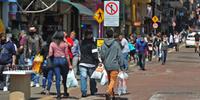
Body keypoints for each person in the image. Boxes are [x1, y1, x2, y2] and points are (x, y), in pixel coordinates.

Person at [46, 31, 72, 99]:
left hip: (55, 60)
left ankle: (58, 94)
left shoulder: (52, 44)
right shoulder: (64, 44)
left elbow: (50, 53)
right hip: (63, 60)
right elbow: (67, 55)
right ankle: (65, 92)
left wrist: (49, 57)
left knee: (57, 78)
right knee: (64, 77)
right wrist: (69, 65)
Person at [100, 29, 124, 100]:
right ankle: (108, 92)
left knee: (110, 81)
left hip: (107, 65)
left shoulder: (103, 44)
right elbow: (120, 55)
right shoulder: (116, 44)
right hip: (114, 65)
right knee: (113, 80)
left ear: (106, 35)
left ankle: (112, 95)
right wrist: (122, 65)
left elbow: (102, 55)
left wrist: (103, 61)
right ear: (112, 35)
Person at [79, 30, 99, 97]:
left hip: (82, 63)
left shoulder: (82, 43)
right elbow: (95, 54)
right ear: (89, 35)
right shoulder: (92, 43)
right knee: (92, 78)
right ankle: (93, 91)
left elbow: (80, 52)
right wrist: (97, 60)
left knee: (83, 78)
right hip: (91, 63)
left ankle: (84, 92)